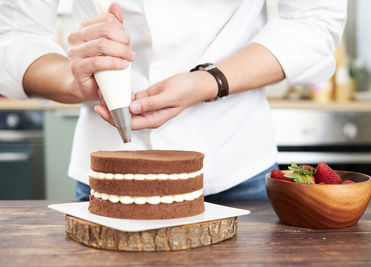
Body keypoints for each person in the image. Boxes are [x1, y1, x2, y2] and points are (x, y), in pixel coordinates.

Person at [0, 0, 347, 201]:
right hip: (109, 177)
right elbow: (15, 35)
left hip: (233, 170)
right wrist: (76, 79)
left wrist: (210, 81)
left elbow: (313, 20)